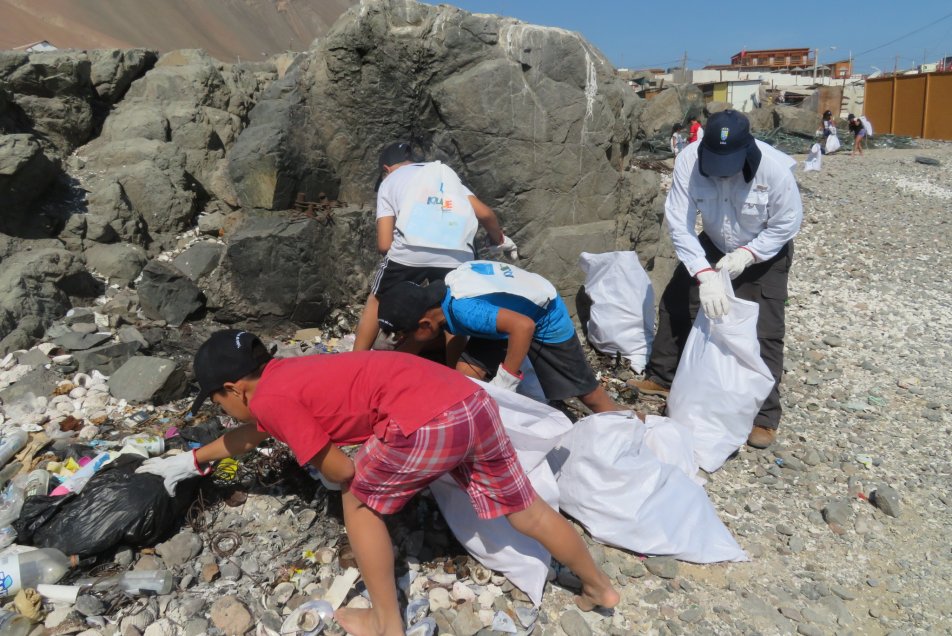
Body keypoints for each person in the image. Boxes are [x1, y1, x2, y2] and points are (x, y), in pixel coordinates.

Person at [138, 330, 619, 636]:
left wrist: (338, 472)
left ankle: (386, 624)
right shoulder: (289, 375)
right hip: (470, 403)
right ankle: (599, 586)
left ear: (233, 389)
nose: (226, 411)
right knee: (527, 508)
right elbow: (252, 434)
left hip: (427, 421)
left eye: (219, 403)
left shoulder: (269, 400)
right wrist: (193, 460)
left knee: (359, 503)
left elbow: (343, 472)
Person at [628, 110, 803, 449]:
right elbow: (679, 222)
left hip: (763, 248)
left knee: (765, 329)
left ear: (748, 150)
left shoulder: (774, 169)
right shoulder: (689, 161)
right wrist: (704, 272)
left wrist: (747, 255)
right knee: (678, 299)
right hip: (712, 241)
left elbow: (785, 224)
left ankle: (764, 416)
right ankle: (663, 376)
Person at [376, 261, 623, 413]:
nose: (404, 342)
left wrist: (506, 382)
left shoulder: (464, 309)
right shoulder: (445, 297)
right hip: (506, 316)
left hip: (544, 316)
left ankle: (631, 424)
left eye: (405, 336)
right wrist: (452, 376)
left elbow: (524, 327)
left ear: (425, 325)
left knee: (591, 398)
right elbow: (462, 332)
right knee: (466, 378)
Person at [353, 142, 518, 352]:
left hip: (409, 251)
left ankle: (355, 361)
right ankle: (452, 370)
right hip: (458, 253)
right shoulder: (444, 176)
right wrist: (500, 240)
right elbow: (486, 214)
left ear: (386, 169)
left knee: (378, 297)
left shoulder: (390, 181)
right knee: (449, 309)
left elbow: (384, 244)